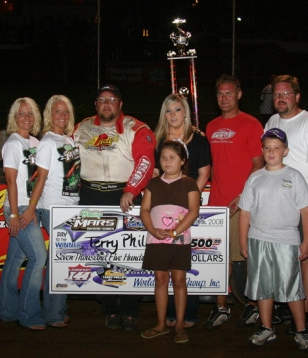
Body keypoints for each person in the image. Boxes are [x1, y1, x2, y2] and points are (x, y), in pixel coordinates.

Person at [73, 84, 156, 331]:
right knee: (101, 255)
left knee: (129, 255)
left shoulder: (136, 127)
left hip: (126, 197)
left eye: (112, 99)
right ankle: (110, 307)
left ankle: (130, 308)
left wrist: (132, 188)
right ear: (96, 105)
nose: (106, 104)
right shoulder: (81, 128)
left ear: (120, 104)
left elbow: (145, 160)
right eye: (101, 100)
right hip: (90, 196)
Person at [239, 128, 308, 350]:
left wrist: (307, 241)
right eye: (267, 148)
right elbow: (245, 212)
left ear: (285, 151)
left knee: (291, 287)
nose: (271, 152)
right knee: (263, 287)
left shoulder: (294, 176)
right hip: (258, 239)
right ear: (262, 151)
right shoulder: (254, 178)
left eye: (277, 148)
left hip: (286, 240)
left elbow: (306, 211)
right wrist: (243, 241)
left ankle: (301, 330)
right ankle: (266, 327)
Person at [265, 75, 308, 333]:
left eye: (286, 94)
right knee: (280, 256)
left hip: (303, 200)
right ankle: (286, 306)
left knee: (305, 255)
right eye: (276, 94)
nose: (280, 98)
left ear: (297, 96)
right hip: (276, 201)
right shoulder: (272, 121)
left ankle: (306, 311)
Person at [204, 75, 264, 329]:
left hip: (244, 204)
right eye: (220, 94)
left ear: (239, 95)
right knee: (220, 258)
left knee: (248, 258)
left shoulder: (251, 124)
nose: (224, 98)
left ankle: (255, 306)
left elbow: (259, 164)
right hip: (217, 203)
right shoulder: (210, 126)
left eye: (229, 93)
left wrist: (243, 196)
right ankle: (221, 307)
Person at [21, 94, 80, 328]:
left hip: (70, 207)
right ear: (49, 114)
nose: (62, 116)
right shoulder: (47, 142)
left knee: (61, 262)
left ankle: (55, 310)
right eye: (57, 111)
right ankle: (52, 314)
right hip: (52, 208)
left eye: (65, 111)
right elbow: (40, 178)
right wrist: (32, 208)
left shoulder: (69, 140)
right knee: (58, 262)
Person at [153, 94, 211, 328]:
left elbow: (204, 172)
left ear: (185, 112)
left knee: (184, 264)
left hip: (189, 207)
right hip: (163, 208)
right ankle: (165, 316)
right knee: (163, 266)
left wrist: (187, 202)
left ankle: (187, 314)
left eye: (177, 110)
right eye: (168, 111)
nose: (173, 115)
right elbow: (156, 174)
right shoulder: (158, 139)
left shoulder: (198, 139)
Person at [140, 141, 200, 342]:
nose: (167, 161)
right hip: (156, 241)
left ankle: (180, 325)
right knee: (160, 280)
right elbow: (145, 210)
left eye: (172, 157)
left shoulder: (190, 183)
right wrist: (153, 230)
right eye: (164, 157)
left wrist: (175, 232)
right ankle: (161, 323)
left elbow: (194, 211)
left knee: (180, 281)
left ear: (182, 161)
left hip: (179, 241)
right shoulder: (153, 183)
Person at [0, 97, 48, 330]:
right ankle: (29, 315)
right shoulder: (13, 143)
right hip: (17, 209)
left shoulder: (36, 143)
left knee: (15, 260)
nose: (26, 118)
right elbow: (10, 180)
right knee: (38, 258)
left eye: (30, 114)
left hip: (29, 208)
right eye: (21, 114)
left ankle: (7, 311)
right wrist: (17, 214)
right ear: (14, 118)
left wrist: (33, 208)